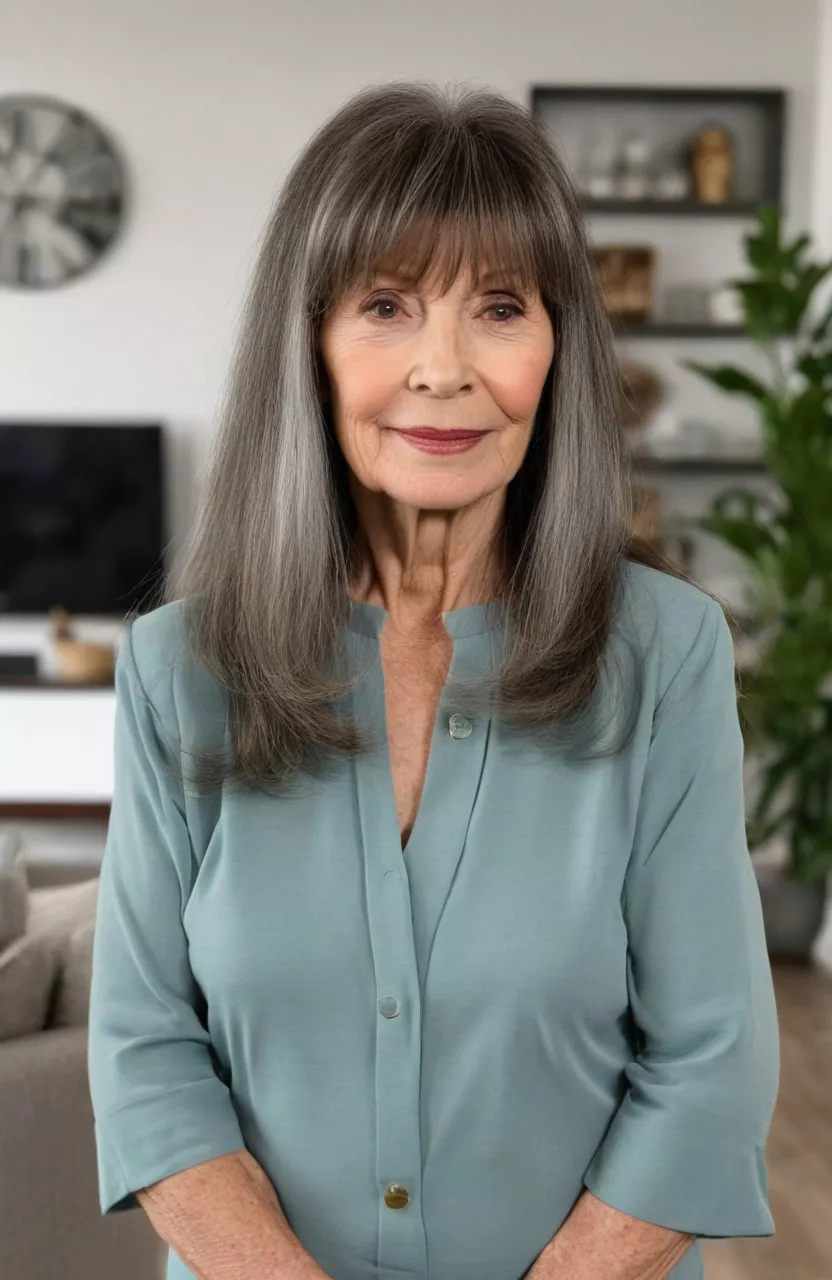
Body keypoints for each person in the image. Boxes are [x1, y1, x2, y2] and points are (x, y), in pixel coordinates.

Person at [87, 80, 780, 1280]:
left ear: (558, 347)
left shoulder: (666, 653)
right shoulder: (176, 668)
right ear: (309, 341)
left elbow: (710, 1059)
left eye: (500, 307)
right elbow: (146, 1048)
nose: (444, 368)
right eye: (388, 305)